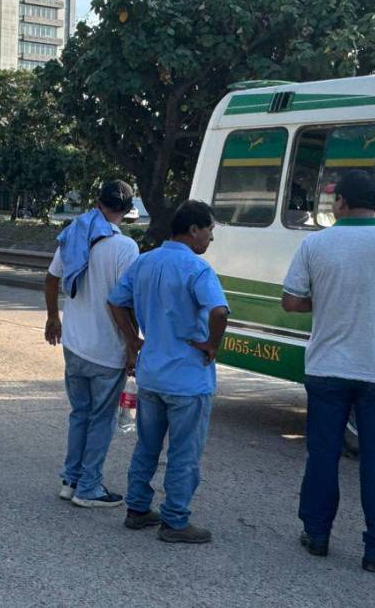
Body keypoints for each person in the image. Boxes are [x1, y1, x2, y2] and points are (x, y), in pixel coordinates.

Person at [280, 170, 375, 573]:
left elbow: (291, 302)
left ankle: (317, 534)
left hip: (328, 369)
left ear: (341, 203)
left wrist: (328, 299)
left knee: (323, 454)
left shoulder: (316, 244)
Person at [108, 200, 230, 544]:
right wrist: (212, 345)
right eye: (209, 230)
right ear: (194, 230)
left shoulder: (144, 262)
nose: (210, 238)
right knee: (184, 453)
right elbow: (219, 312)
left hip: (152, 375)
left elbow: (116, 300)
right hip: (188, 380)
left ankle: (137, 509)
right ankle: (176, 521)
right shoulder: (197, 269)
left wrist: (133, 340)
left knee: (147, 446)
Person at [45, 181, 139, 507]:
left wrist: (52, 318)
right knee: (102, 419)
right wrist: (132, 345)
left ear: (98, 201)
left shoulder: (75, 233)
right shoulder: (125, 247)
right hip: (105, 349)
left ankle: (70, 480)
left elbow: (52, 277)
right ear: (127, 211)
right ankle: (89, 488)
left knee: (80, 414)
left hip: (74, 343)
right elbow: (124, 302)